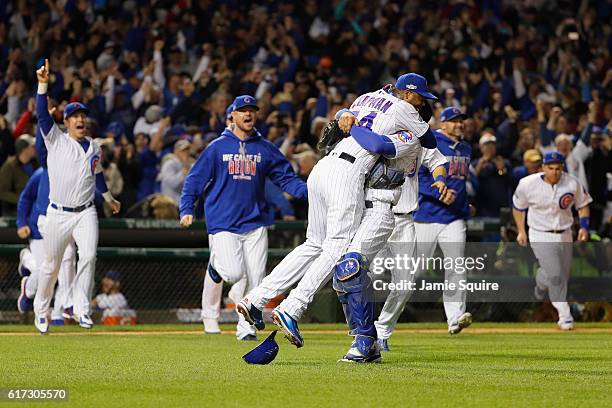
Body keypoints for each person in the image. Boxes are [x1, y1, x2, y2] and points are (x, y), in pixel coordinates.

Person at [237, 73, 441, 362]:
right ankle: (290, 308)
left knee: (325, 252)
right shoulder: (404, 110)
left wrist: (348, 117)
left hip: (340, 179)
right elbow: (398, 138)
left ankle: (256, 300)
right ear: (409, 97)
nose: (421, 106)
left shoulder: (373, 107)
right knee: (332, 251)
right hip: (348, 177)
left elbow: (384, 143)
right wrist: (346, 116)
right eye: (421, 99)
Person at [179, 95, 307, 341]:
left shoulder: (265, 148)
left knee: (256, 280)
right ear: (233, 116)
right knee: (234, 274)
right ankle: (216, 267)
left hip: (256, 221)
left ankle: (245, 328)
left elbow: (286, 178)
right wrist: (186, 208)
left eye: (252, 110)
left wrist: (310, 191)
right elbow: (195, 180)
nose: (248, 114)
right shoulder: (217, 147)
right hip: (223, 222)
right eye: (242, 111)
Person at [32, 59, 121, 334]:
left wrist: (107, 198)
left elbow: (97, 176)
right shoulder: (56, 139)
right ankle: (42, 310)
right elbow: (42, 116)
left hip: (85, 212)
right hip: (58, 212)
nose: (80, 119)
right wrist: (43, 85)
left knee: (89, 257)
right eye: (74, 116)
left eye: (83, 115)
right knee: (50, 266)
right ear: (66, 121)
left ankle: (82, 310)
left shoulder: (94, 147)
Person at [409, 107, 474, 337]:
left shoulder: (466, 147)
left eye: (461, 121)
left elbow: (460, 182)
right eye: (454, 121)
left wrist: (465, 204)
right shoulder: (431, 141)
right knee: (414, 271)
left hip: (454, 217)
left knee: (456, 266)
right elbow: (417, 175)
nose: (459, 125)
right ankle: (386, 315)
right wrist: (439, 193)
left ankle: (455, 318)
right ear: (443, 124)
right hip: (428, 215)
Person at [512, 151, 592, 330]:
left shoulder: (572, 183)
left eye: (558, 168)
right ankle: (565, 317)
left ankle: (541, 284)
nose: (555, 172)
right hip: (540, 233)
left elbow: (583, 204)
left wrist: (584, 227)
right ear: (543, 168)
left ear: (562, 168)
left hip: (565, 233)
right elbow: (518, 208)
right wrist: (521, 231)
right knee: (556, 276)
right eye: (550, 168)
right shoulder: (527, 184)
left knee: (562, 276)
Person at [16, 167, 75, 326]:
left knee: (66, 271)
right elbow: (26, 197)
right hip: (39, 231)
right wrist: (21, 223)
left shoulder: (73, 172)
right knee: (46, 270)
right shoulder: (42, 173)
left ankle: (57, 316)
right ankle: (28, 286)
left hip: (63, 229)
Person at [0, 134, 38, 216]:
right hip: (14, 210)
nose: (36, 148)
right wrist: (21, 199)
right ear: (25, 149)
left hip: (34, 207)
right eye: (33, 146)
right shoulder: (9, 166)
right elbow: (2, 191)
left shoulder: (36, 163)